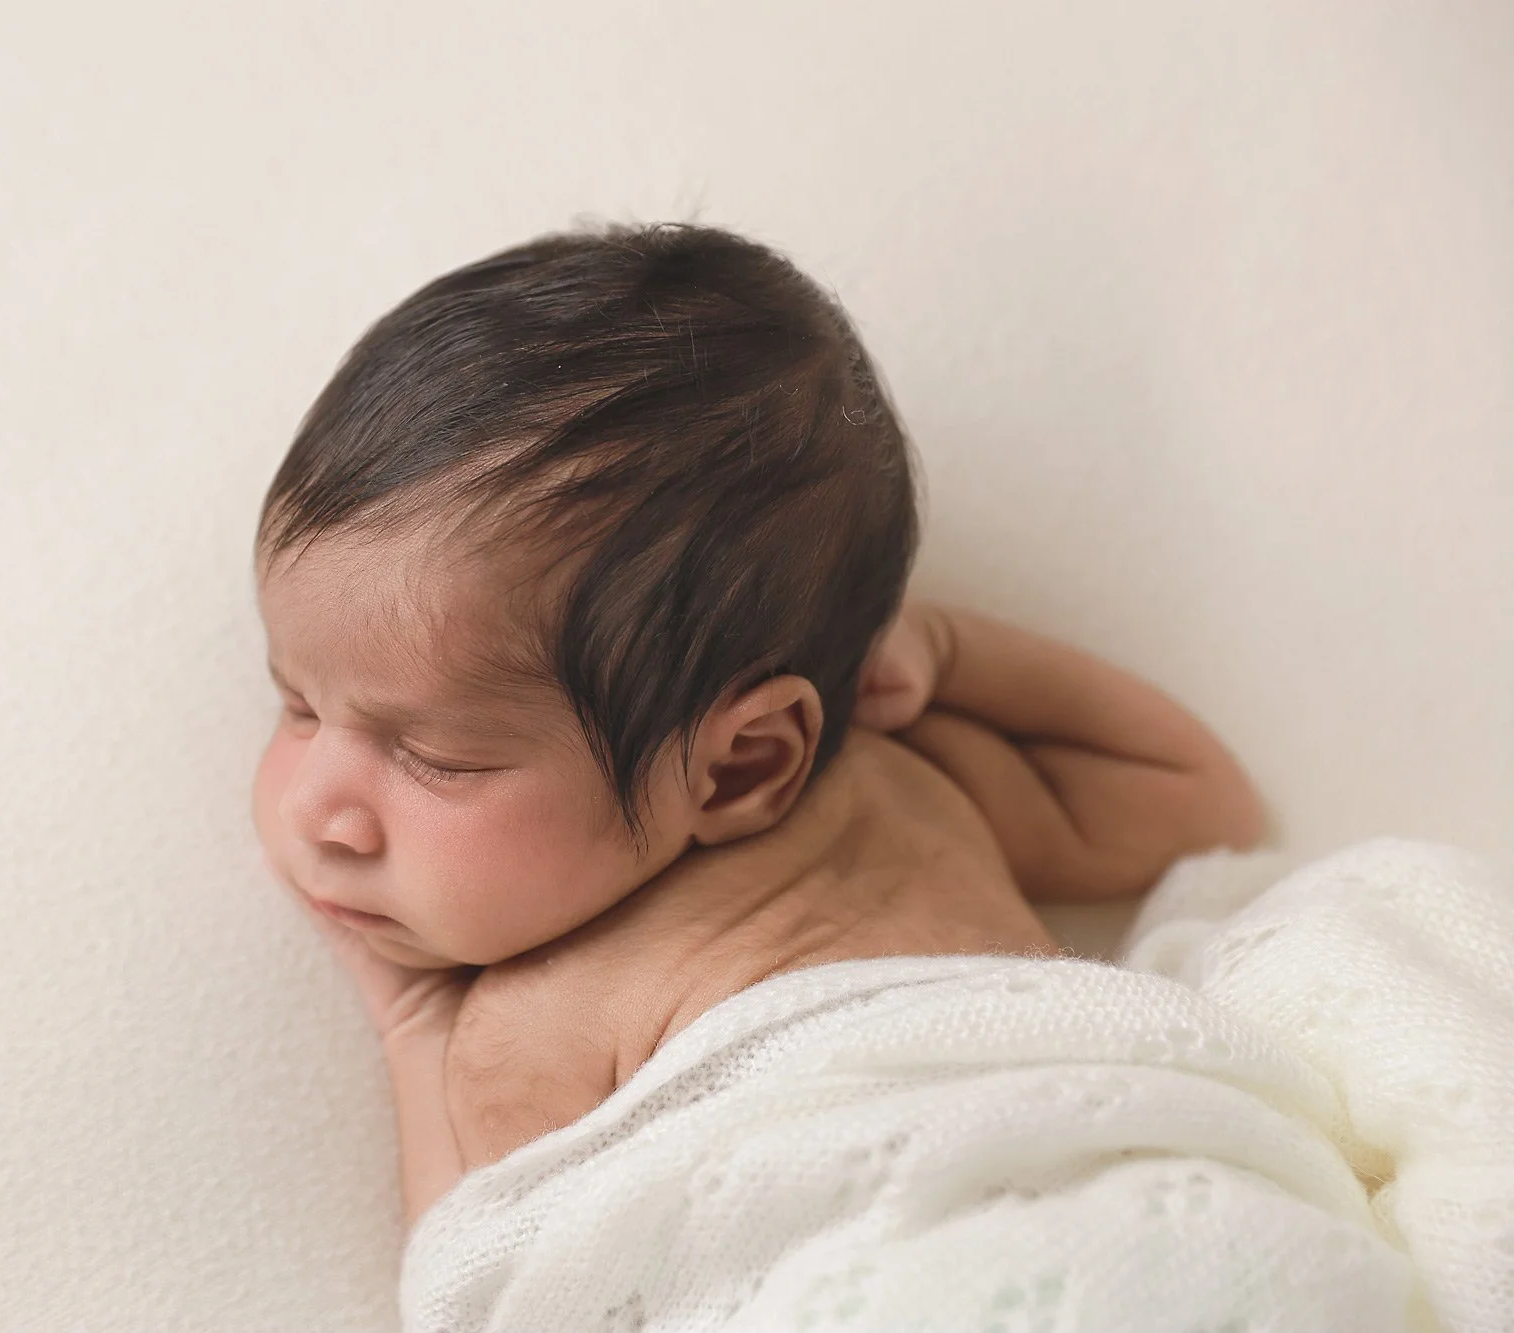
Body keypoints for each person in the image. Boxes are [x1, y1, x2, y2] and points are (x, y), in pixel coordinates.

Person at [249, 223, 1263, 1227]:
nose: (315, 807)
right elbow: (1195, 796)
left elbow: (476, 1272)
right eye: (295, 704)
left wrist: (415, 1025)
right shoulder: (917, 795)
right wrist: (955, 659)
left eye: (432, 755)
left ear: (742, 764)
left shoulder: (527, 1034)